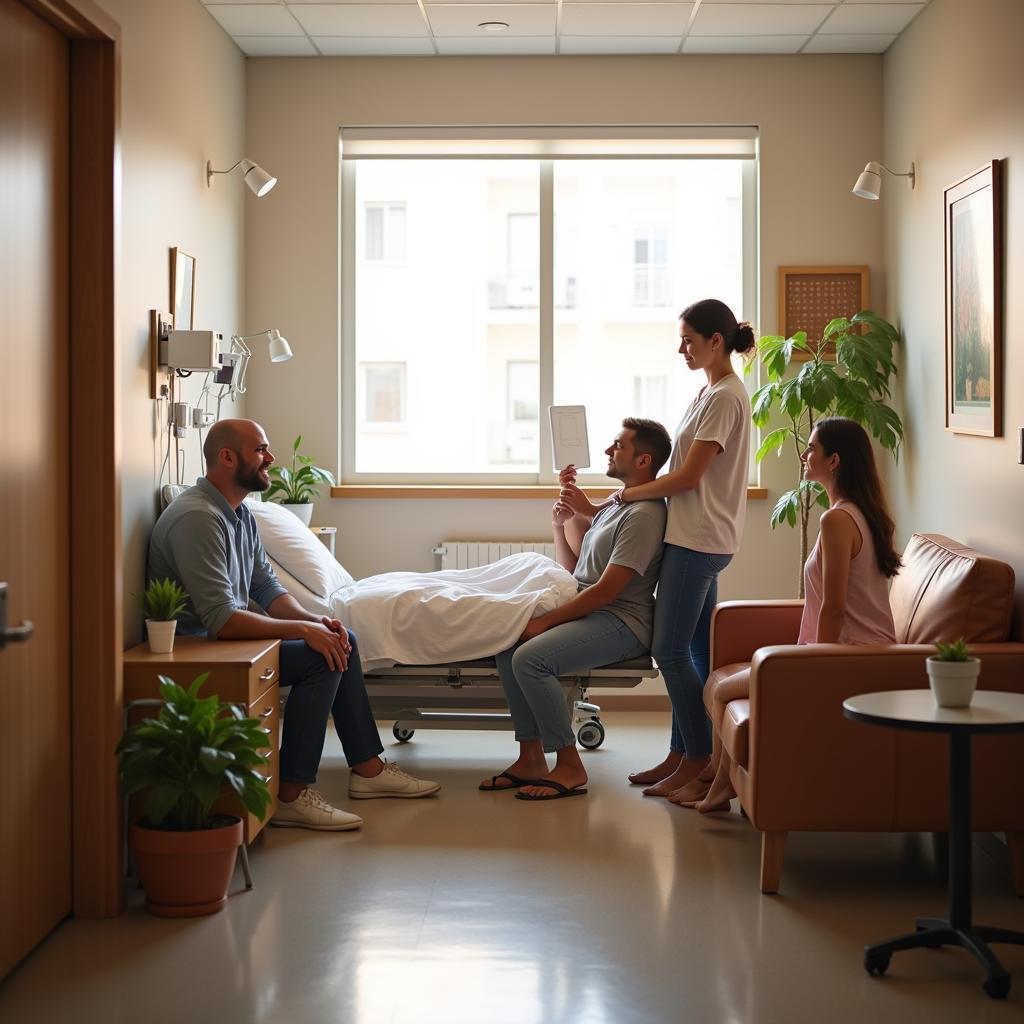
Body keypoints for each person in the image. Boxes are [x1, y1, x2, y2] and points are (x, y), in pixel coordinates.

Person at [147, 418, 440, 832]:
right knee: (319, 658)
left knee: (342, 637)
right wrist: (303, 633)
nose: (271, 458)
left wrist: (316, 620)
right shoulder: (198, 518)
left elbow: (265, 587)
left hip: (221, 636)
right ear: (227, 458)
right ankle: (292, 796)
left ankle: (368, 771)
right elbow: (222, 620)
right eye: (261, 450)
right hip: (197, 646)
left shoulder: (238, 514)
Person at [561, 299, 754, 799]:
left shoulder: (726, 396)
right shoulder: (708, 391)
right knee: (694, 652)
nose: (682, 348)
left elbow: (687, 477)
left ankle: (698, 761)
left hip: (700, 540)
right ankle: (683, 756)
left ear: (717, 341)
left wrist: (622, 494)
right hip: (698, 536)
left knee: (669, 650)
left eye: (690, 340)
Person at [676, 416, 901, 812]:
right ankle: (718, 781)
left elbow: (834, 606)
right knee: (718, 685)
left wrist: (813, 664)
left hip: (850, 656)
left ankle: (714, 782)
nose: (804, 453)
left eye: (812, 448)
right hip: (855, 648)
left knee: (721, 688)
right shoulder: (858, 513)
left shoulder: (838, 520)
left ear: (834, 461)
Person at [479, 418, 671, 801]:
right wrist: (561, 522)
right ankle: (530, 757)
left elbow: (605, 592)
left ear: (643, 460)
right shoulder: (619, 504)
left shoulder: (645, 514)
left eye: (618, 445)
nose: (607, 451)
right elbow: (575, 570)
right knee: (507, 644)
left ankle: (569, 764)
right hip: (593, 609)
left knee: (530, 659)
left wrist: (544, 623)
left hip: (621, 621)